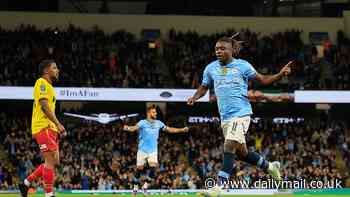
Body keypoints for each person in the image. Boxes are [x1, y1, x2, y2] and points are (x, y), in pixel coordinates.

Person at [187, 36, 293, 190]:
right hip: (225, 118)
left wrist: (280, 75)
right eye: (217, 48)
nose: (218, 51)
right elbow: (204, 87)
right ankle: (271, 167)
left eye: (222, 48)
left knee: (229, 146)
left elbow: (263, 80)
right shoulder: (210, 68)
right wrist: (195, 97)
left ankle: (219, 188)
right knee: (242, 154)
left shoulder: (243, 66)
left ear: (232, 50)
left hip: (241, 114)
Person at [19, 60, 66, 197]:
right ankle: (49, 194)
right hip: (43, 126)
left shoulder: (50, 87)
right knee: (50, 160)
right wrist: (58, 123)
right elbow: (44, 106)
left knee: (53, 160)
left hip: (51, 128)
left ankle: (26, 182)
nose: (57, 70)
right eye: (55, 68)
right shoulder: (41, 83)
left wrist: (57, 127)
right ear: (46, 71)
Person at [123, 105, 189, 189]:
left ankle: (145, 186)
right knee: (139, 168)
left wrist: (181, 130)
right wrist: (127, 127)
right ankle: (135, 185)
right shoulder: (142, 122)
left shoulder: (159, 123)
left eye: (156, 112)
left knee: (153, 167)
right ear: (148, 113)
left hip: (153, 150)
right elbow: (133, 128)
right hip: (142, 149)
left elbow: (169, 129)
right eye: (154, 112)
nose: (156, 113)